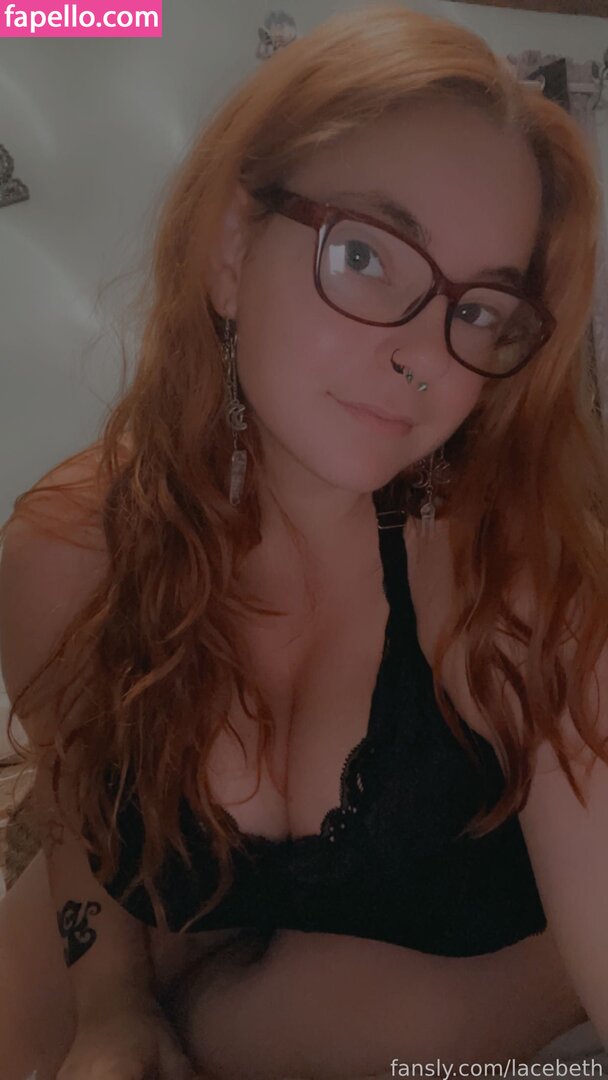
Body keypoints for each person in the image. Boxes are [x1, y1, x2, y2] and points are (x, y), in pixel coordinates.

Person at [0, 3, 607, 1078]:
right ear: (232, 249)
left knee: (353, 1033)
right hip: (193, 923)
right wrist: (111, 1004)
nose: (423, 357)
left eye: (479, 310)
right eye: (365, 253)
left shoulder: (520, 577)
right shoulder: (66, 552)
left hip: (459, 973)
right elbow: (77, 807)